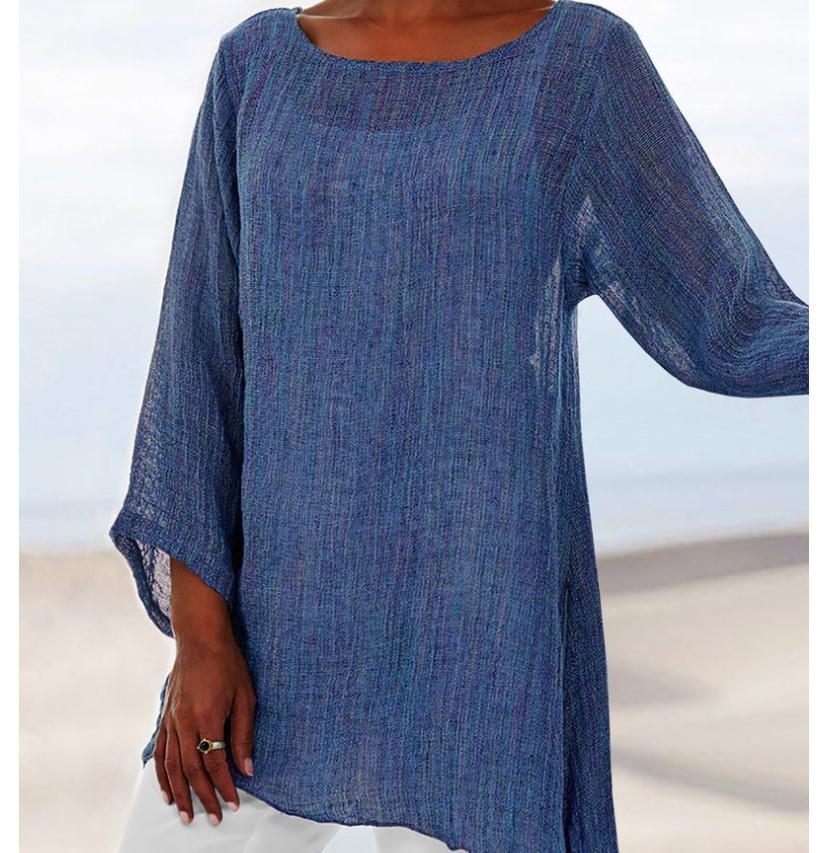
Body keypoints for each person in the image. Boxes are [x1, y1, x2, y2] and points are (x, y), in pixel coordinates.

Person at [110, 1, 810, 851]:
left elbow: (730, 317)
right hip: (271, 659)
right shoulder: (253, 69)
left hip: (479, 663)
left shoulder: (579, 64)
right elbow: (198, 367)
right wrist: (201, 639)